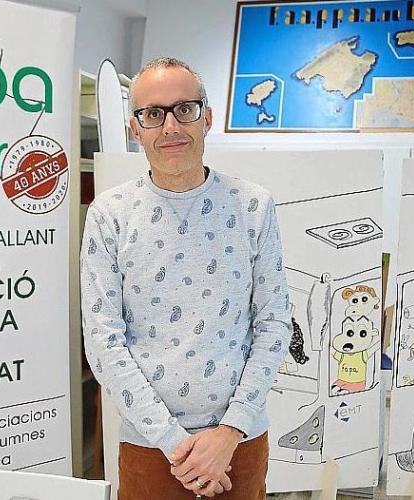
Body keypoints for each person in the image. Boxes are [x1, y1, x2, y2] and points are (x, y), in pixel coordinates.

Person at [80, 57, 292, 499]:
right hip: (149, 447)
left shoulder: (253, 206)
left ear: (206, 118)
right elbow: (103, 341)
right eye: (153, 114)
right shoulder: (110, 215)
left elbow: (274, 324)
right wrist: (176, 444)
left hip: (239, 443)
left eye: (184, 109)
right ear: (135, 129)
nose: (170, 126)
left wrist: (229, 432)